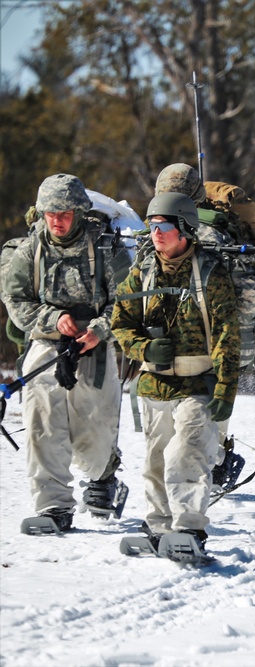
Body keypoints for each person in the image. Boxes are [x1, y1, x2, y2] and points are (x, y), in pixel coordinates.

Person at [111, 192, 241, 552]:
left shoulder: (211, 273)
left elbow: (228, 334)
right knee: (155, 461)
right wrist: (143, 349)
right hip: (154, 383)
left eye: (163, 226)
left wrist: (226, 389)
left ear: (184, 228)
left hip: (199, 384)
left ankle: (189, 530)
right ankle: (159, 529)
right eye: (152, 227)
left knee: (186, 455)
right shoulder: (143, 270)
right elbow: (120, 320)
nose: (156, 234)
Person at [2, 174, 128, 531]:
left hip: (96, 342)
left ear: (79, 212)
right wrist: (53, 319)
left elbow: (128, 303)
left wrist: (99, 330)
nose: (56, 220)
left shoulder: (105, 247)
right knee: (41, 415)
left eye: (64, 213)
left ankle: (103, 476)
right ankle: (53, 506)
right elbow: (15, 299)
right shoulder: (30, 250)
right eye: (50, 213)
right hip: (48, 340)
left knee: (94, 430)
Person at [152, 163, 255, 491]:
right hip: (209, 339)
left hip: (181, 340)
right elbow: (251, 298)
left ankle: (207, 467)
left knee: (188, 415)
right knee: (205, 409)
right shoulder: (217, 230)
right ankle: (216, 461)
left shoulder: (156, 231)